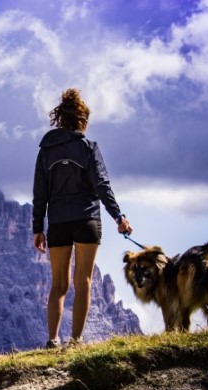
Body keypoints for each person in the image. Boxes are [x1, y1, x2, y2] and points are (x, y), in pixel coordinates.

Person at [32, 88, 132, 349]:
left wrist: (37, 228)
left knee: (58, 285)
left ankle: (53, 340)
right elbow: (102, 185)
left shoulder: (46, 151)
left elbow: (40, 193)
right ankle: (76, 341)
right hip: (87, 219)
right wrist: (118, 216)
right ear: (81, 121)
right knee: (83, 282)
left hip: (58, 222)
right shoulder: (89, 147)